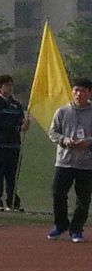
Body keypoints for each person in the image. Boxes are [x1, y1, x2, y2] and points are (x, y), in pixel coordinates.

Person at [46, 78, 92, 243]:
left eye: (83, 91)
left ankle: (76, 229)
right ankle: (60, 225)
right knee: (58, 193)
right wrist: (65, 140)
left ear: (89, 93)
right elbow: (53, 132)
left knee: (83, 198)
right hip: (64, 161)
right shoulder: (62, 112)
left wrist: (88, 142)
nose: (79, 94)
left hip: (86, 163)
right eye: (76, 90)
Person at [0, 75, 27, 212]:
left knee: (12, 176)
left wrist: (24, 124)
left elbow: (20, 120)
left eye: (11, 85)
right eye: (7, 85)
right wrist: (18, 127)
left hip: (14, 146)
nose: (10, 88)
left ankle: (12, 202)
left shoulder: (16, 105)